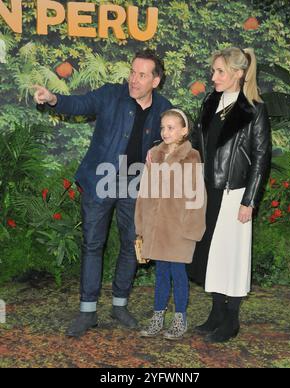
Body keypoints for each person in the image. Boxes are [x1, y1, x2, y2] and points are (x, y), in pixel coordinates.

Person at [34, 49, 172, 337]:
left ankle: (119, 306)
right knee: (93, 244)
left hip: (136, 187)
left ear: (155, 81)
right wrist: (53, 99)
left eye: (142, 75)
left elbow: (175, 144)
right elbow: (80, 103)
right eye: (133, 72)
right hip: (101, 182)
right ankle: (87, 312)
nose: (134, 79)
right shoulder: (111, 94)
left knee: (130, 246)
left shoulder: (164, 109)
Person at [187, 47, 271, 343]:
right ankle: (215, 314)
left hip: (235, 193)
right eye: (214, 71)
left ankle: (231, 319)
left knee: (233, 256)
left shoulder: (253, 108)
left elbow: (262, 157)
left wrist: (250, 201)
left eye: (220, 71)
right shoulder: (211, 101)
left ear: (238, 73)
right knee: (213, 255)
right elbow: (198, 142)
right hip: (210, 190)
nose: (214, 77)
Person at [135, 109, 206, 340]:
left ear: (184, 130)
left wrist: (192, 230)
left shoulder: (191, 156)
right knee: (161, 274)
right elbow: (144, 192)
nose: (165, 132)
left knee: (179, 274)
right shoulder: (154, 155)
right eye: (163, 127)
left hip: (179, 230)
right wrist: (141, 226)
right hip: (156, 229)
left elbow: (197, 196)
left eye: (171, 127)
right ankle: (157, 317)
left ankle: (180, 318)